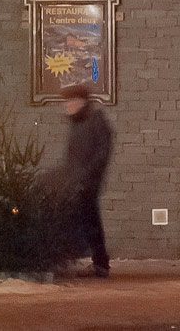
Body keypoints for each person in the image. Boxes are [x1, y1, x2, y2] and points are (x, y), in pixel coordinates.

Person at [61, 82, 114, 278]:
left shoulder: (95, 120)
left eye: (70, 101)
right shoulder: (76, 123)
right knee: (85, 220)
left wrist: (88, 174)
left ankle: (100, 263)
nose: (67, 106)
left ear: (81, 102)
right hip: (77, 180)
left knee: (90, 220)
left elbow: (102, 151)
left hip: (89, 182)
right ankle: (97, 262)